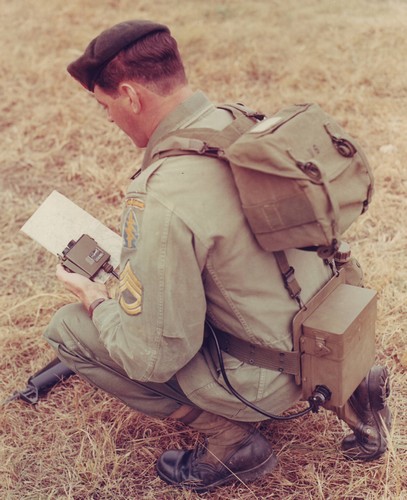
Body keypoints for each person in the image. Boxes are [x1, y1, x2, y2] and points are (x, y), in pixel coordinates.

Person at [44, 20, 391, 492]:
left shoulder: (163, 193)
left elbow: (155, 356)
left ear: (130, 96)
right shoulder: (240, 120)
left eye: (105, 106)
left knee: (69, 328)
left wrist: (95, 299)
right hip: (330, 333)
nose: (108, 118)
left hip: (270, 378)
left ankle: (231, 443)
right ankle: (355, 389)